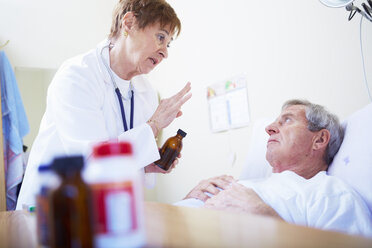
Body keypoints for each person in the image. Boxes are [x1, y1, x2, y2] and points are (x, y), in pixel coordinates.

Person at [17, 0, 191, 210]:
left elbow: (119, 162)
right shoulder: (77, 76)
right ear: (128, 24)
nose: (165, 52)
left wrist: (147, 165)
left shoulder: (146, 92)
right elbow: (91, 160)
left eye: (168, 43)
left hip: (103, 211)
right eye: (160, 37)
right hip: (51, 209)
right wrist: (153, 125)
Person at [177, 99, 372, 237]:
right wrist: (189, 199)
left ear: (319, 139)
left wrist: (265, 218)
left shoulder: (329, 194)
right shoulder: (252, 183)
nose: (269, 128)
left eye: (287, 120)